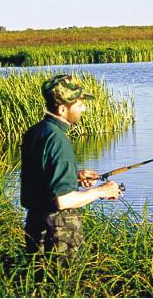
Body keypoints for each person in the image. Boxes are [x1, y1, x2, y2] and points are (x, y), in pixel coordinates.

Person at [20, 74, 121, 260]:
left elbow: (41, 177)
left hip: (36, 223)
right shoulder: (58, 139)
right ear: (62, 109)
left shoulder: (36, 131)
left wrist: (73, 176)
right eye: (78, 103)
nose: (84, 107)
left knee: (39, 283)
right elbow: (62, 200)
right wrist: (102, 191)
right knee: (62, 284)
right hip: (57, 232)